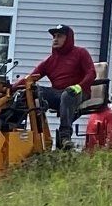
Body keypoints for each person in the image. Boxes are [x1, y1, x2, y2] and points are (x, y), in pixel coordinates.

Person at [21, 22, 98, 150]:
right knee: (33, 91)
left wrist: (79, 86)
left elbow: (91, 73)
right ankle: (37, 137)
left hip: (78, 92)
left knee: (67, 94)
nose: (55, 39)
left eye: (59, 36)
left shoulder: (81, 53)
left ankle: (64, 138)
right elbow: (29, 79)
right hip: (58, 93)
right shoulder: (49, 61)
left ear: (68, 38)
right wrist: (10, 88)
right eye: (54, 36)